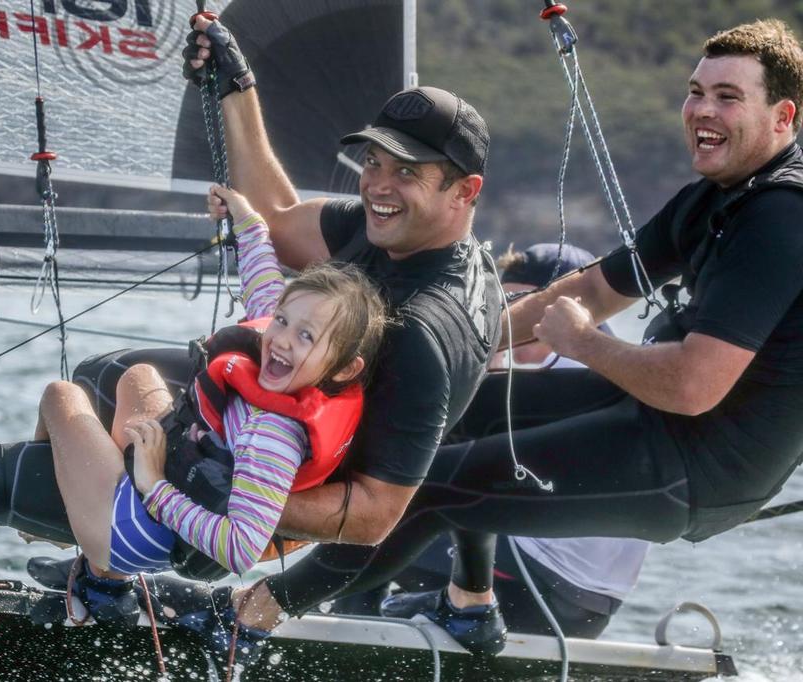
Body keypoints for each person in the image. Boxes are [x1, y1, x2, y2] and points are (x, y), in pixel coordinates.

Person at [263, 17, 803, 652]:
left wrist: (586, 345)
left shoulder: (781, 219)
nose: (701, 110)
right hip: (654, 416)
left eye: (727, 97)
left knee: (436, 491)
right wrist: (467, 344)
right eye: (695, 91)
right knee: (459, 413)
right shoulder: (712, 197)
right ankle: (445, 609)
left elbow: (691, 387)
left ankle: (255, 609)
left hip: (702, 466)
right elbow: (592, 290)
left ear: (782, 118)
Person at [0, 184, 387, 620]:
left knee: (36, 417)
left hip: (143, 526)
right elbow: (262, 282)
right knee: (135, 377)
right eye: (284, 321)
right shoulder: (276, 341)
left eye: (306, 336)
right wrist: (249, 221)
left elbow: (240, 547)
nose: (281, 339)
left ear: (344, 366)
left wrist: (151, 485)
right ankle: (97, 573)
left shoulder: (274, 435)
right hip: (161, 488)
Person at [139, 15, 502, 663]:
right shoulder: (397, 234)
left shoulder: (420, 319)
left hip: (307, 498)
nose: (379, 186)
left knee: (116, 391)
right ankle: (473, 603)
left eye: (408, 171)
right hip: (328, 478)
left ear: (464, 191)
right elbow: (278, 223)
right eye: (374, 163)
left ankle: (236, 611)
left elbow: (372, 517)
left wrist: (215, 478)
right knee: (126, 378)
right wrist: (238, 86)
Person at [335, 244, 650, 640]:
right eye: (509, 308)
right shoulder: (619, 374)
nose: (513, 329)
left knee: (387, 496)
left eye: (530, 311)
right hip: (588, 610)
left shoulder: (564, 373)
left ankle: (349, 619)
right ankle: (408, 606)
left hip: (532, 587)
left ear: (570, 313)